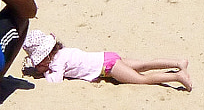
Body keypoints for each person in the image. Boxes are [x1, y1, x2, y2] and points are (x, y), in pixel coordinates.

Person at [19, 28, 191, 91]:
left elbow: (54, 81)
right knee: (143, 64)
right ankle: (177, 63)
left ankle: (177, 77)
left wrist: (42, 74)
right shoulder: (63, 52)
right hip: (108, 57)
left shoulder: (57, 63)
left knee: (142, 80)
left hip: (108, 68)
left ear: (46, 57)